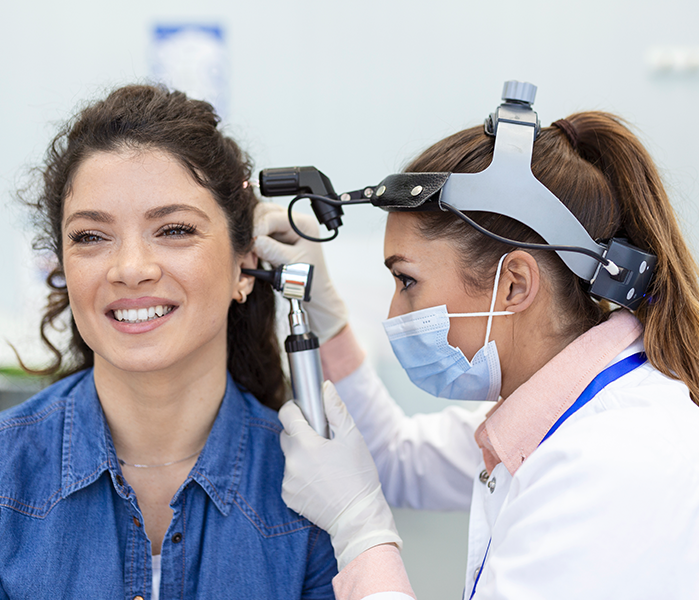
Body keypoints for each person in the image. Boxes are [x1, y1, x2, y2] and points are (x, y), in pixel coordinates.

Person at [254, 92, 699, 598]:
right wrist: (327, 314)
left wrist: (360, 529)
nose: (395, 315)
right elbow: (396, 457)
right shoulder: (558, 412)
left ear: (514, 285)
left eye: (407, 281)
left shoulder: (610, 460)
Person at [0, 84, 337, 599]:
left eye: (174, 230)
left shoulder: (313, 487)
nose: (130, 269)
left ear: (245, 266)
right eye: (90, 236)